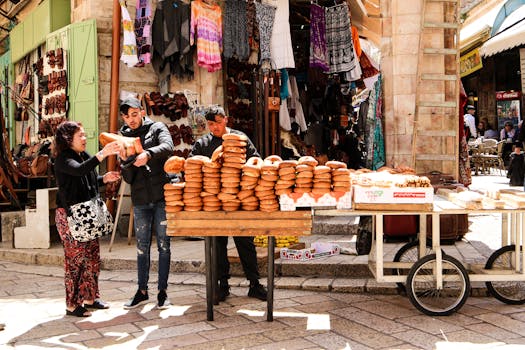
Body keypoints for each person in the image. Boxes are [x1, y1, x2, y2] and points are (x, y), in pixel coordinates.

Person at [189, 106, 268, 303]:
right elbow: (191, 165)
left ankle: (254, 284)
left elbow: (256, 159)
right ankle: (222, 285)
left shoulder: (239, 138)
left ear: (226, 119)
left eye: (217, 122)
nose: (214, 127)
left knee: (245, 242)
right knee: (217, 244)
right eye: (210, 124)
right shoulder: (203, 143)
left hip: (239, 200)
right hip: (214, 202)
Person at [54, 121, 121, 317]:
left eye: (84, 135)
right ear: (68, 139)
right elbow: (79, 171)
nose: (85, 139)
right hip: (70, 216)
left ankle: (91, 297)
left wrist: (104, 179)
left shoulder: (82, 155)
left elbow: (87, 177)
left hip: (87, 213)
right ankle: (72, 304)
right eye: (80, 135)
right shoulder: (62, 159)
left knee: (92, 257)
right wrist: (103, 153)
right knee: (75, 261)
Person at [119, 96, 175, 309]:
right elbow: (127, 175)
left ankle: (162, 292)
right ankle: (142, 291)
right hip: (140, 198)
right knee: (142, 246)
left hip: (162, 195)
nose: (131, 120)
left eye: (134, 114)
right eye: (126, 116)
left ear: (141, 112)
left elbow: (168, 146)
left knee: (164, 245)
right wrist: (126, 162)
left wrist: (148, 154)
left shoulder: (157, 127)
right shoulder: (122, 136)